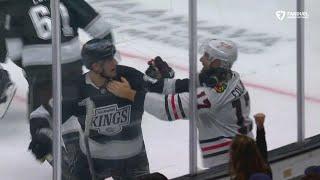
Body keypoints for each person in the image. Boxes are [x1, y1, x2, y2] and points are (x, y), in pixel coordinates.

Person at [28, 39, 166, 179]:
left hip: (133, 159)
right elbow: (41, 114)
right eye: (109, 60)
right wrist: (40, 134)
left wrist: (162, 76)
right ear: (96, 66)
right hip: (94, 161)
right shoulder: (77, 88)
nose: (115, 63)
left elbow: (158, 91)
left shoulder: (129, 77)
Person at [107, 38, 254, 168]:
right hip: (241, 155)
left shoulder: (213, 95)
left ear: (217, 63)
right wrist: (157, 81)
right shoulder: (228, 78)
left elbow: (167, 108)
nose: (202, 59)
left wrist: (129, 94)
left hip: (231, 163)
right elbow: (183, 86)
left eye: (207, 57)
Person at [4, 0, 114, 115]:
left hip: (39, 72)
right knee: (74, 114)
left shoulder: (16, 5)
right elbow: (102, 30)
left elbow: (15, 52)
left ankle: (42, 128)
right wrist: (100, 63)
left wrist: (29, 67)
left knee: (41, 119)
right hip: (71, 66)